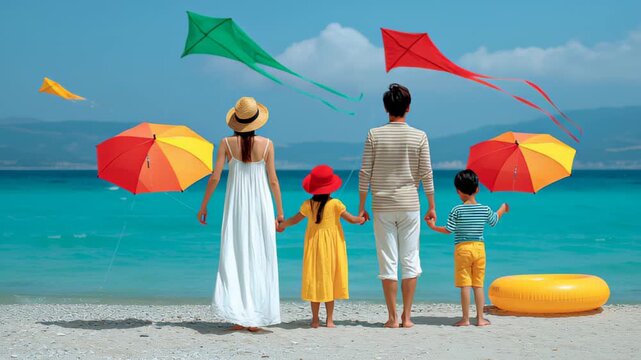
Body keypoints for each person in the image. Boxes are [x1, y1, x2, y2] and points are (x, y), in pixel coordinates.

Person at [198, 96, 284, 332]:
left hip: (236, 205)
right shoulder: (267, 144)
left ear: (236, 120)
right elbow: (273, 180)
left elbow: (215, 177)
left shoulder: (226, 143)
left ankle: (238, 316)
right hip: (261, 205)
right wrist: (280, 212)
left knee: (235, 254)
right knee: (259, 254)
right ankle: (255, 318)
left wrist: (204, 205)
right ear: (257, 120)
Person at [358, 83, 436, 328]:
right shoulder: (419, 136)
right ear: (408, 108)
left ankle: (392, 318)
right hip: (410, 205)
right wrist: (431, 206)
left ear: (386, 108)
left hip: (381, 205)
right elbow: (427, 174)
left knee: (388, 260)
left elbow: (365, 174)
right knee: (410, 259)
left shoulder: (374, 134)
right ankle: (407, 317)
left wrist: (361, 206)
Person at [278, 165, 365, 328]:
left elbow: (295, 220)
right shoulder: (336, 204)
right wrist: (362, 218)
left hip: (314, 246)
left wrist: (282, 225)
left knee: (316, 278)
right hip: (332, 247)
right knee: (330, 279)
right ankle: (330, 320)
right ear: (330, 187)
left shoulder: (308, 205)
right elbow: (353, 220)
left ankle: (315, 319)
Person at [427, 169, 509, 327]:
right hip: (479, 249)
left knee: (465, 284)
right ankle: (479, 319)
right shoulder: (484, 209)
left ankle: (465, 319)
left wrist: (433, 227)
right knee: (478, 284)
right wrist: (503, 209)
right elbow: (494, 221)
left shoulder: (456, 210)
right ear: (477, 189)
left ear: (458, 191)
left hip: (462, 249)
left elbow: (448, 230)